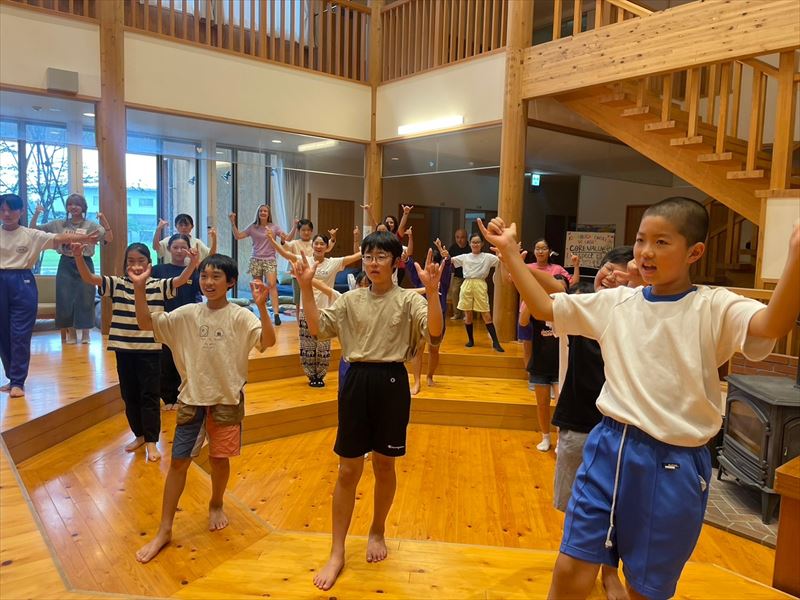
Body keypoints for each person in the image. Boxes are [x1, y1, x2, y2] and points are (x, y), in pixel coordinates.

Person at [479, 197, 799, 600]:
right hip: (608, 446)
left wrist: (796, 256)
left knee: (645, 588)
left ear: (694, 252)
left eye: (661, 242)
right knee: (571, 569)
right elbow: (545, 307)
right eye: (641, 240)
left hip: (675, 462)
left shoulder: (714, 305)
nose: (646, 252)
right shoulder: (618, 302)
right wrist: (510, 252)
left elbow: (772, 324)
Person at [295, 231, 444, 591]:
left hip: (392, 382)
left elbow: (436, 334)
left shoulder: (408, 300)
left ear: (396, 262)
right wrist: (305, 287)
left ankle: (377, 529)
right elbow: (317, 328)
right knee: (348, 469)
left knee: (384, 465)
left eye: (381, 256)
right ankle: (337, 551)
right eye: (368, 256)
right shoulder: (350, 300)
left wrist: (433, 292)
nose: (373, 263)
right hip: (356, 381)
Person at [133, 254, 276, 564]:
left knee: (219, 459)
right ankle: (164, 529)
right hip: (191, 399)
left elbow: (268, 340)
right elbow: (146, 323)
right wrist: (140, 288)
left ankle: (216, 503)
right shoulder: (186, 314)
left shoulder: (240, 316)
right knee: (178, 463)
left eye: (216, 277)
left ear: (231, 282)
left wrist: (263, 307)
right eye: (204, 276)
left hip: (227, 400)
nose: (208, 282)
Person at [550, 246, 634, 600]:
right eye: (605, 269)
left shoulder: (635, 319)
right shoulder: (585, 306)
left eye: (618, 272)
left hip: (621, 429)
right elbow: (553, 295)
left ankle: (609, 571)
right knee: (576, 506)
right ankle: (578, 564)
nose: (608, 276)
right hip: (578, 421)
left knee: (617, 507)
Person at [73, 242, 198, 462]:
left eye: (141, 261)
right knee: (129, 395)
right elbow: (89, 278)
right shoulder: (117, 283)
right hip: (124, 349)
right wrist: (78, 257)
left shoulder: (159, 285)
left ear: (149, 263)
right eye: (131, 261)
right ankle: (139, 435)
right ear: (125, 264)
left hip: (150, 349)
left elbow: (180, 280)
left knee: (149, 396)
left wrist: (193, 263)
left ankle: (152, 441)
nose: (136, 266)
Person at [0, 193, 99, 398]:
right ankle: (11, 377)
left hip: (22, 282)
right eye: (2, 210)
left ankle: (18, 381)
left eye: (11, 209)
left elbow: (60, 238)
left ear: (21, 211)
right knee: (3, 333)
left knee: (20, 333)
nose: (6, 214)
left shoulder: (30, 234)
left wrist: (86, 238)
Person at [270, 228, 362, 387]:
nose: (319, 246)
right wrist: (271, 240)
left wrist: (362, 242)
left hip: (326, 310)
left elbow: (355, 257)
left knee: (323, 346)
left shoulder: (333, 263)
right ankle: (311, 376)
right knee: (307, 344)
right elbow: (285, 254)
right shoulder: (304, 259)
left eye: (322, 244)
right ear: (312, 245)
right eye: (316, 243)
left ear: (327, 247)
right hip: (305, 309)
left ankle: (320, 375)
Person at [30, 194, 112, 345]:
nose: (73, 207)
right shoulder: (59, 224)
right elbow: (34, 230)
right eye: (70, 204)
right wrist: (36, 214)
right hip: (66, 263)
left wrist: (103, 219)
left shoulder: (91, 225)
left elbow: (108, 238)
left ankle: (86, 333)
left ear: (83, 207)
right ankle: (71, 334)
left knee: (86, 296)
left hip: (85, 262)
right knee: (65, 298)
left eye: (77, 204)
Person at [152, 234, 202, 411]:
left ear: (189, 249)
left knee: (185, 359)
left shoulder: (194, 272)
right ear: (169, 249)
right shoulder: (158, 270)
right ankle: (167, 397)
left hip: (188, 322)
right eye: (175, 247)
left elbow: (201, 292)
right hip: (164, 321)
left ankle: (184, 395)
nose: (179, 251)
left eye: (183, 247)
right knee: (165, 360)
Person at [229, 204, 292, 325]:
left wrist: (294, 226)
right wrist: (232, 222)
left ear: (268, 214)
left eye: (265, 211)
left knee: (272, 285)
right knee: (258, 287)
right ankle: (262, 313)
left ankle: (276, 314)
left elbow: (287, 238)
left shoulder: (274, 227)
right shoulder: (253, 227)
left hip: (270, 259)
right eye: (261, 211)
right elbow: (238, 236)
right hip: (256, 259)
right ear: (258, 213)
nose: (263, 213)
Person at [409, 238, 453, 395]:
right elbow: (410, 267)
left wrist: (446, 258)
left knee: (434, 349)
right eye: (430, 262)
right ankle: (416, 381)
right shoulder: (421, 277)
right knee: (418, 349)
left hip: (437, 318)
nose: (432, 265)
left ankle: (429, 376)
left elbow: (447, 267)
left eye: (436, 262)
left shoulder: (443, 278)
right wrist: (406, 259)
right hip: (420, 316)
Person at [450, 232, 504, 352]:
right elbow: (450, 260)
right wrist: (443, 252)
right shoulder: (465, 256)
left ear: (482, 244)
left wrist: (502, 252)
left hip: (480, 284)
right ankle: (470, 340)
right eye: (473, 242)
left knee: (486, 314)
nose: (475, 244)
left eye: (478, 242)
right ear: (470, 244)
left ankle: (496, 342)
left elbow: (500, 261)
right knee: (468, 315)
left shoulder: (488, 257)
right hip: (467, 284)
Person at [448, 228, 470, 320]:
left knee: (466, 293)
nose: (459, 240)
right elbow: (448, 261)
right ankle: (457, 313)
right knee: (454, 291)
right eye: (457, 237)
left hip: (468, 276)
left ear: (466, 238)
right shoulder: (453, 248)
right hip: (457, 276)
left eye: (462, 237)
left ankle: (466, 314)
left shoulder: (470, 248)